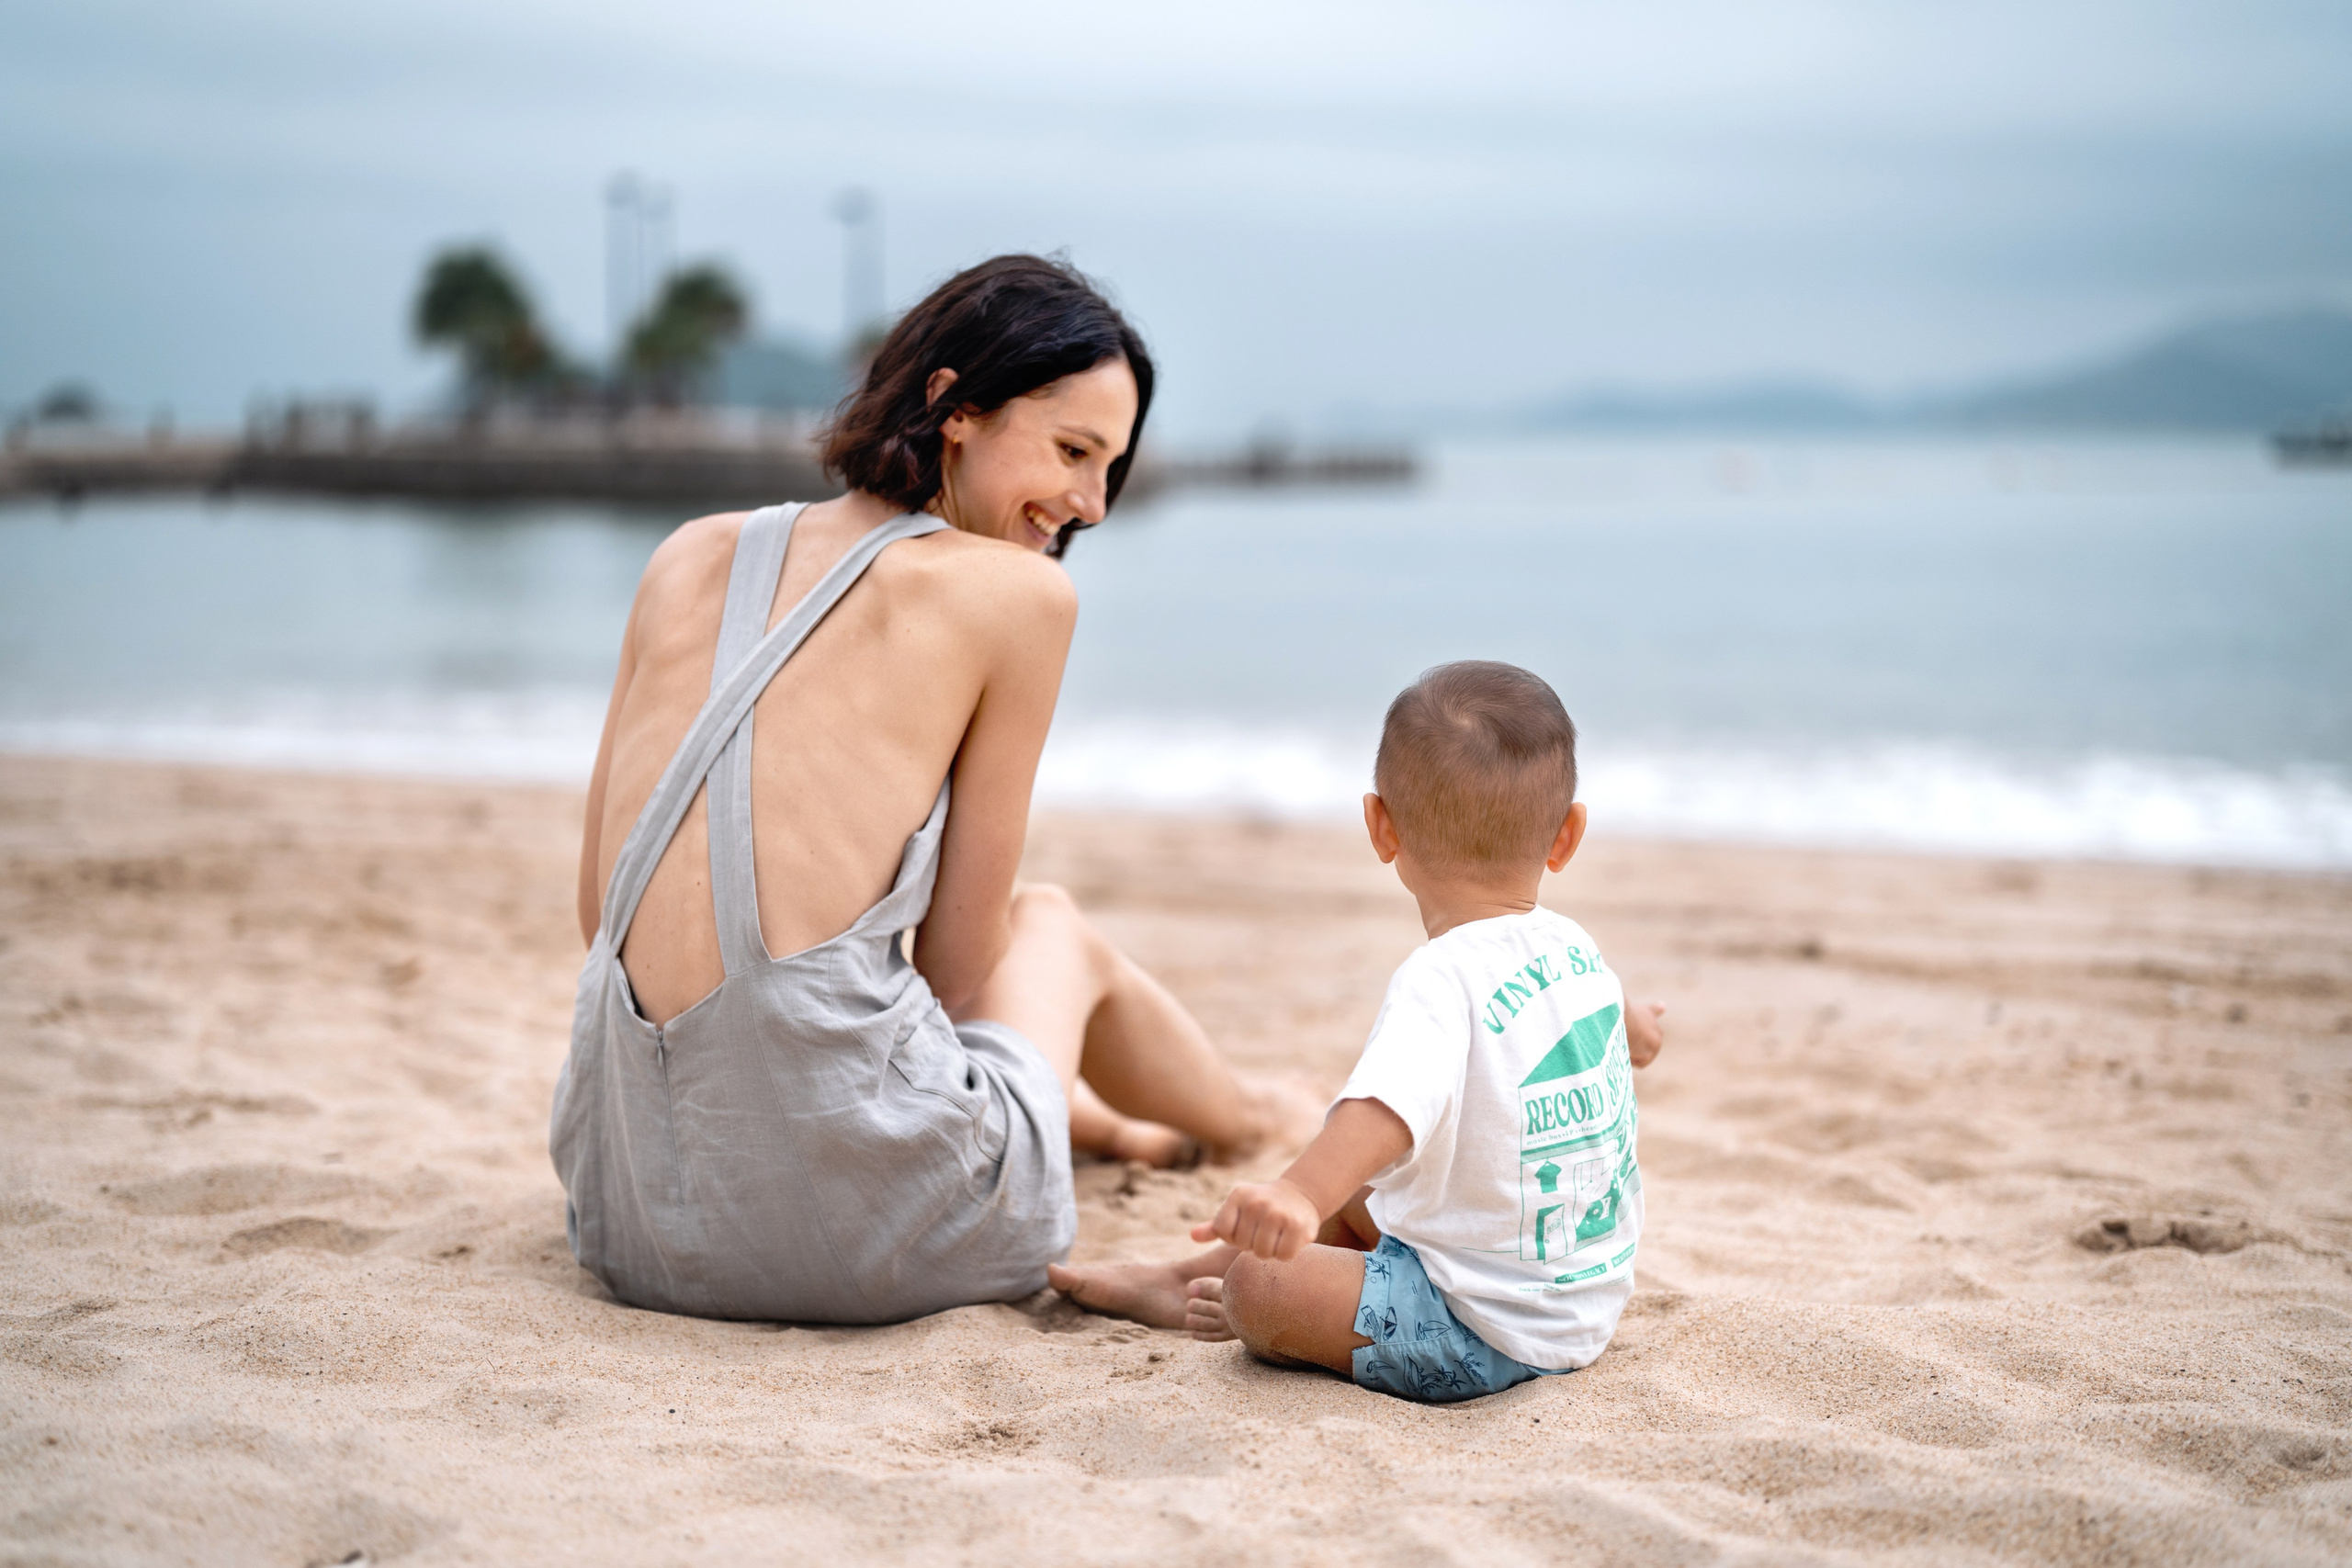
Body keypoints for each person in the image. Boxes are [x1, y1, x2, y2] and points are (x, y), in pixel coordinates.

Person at [551, 254, 1301, 1325]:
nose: (1090, 503)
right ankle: (1247, 1114)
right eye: (1073, 452)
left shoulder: (686, 555)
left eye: (1111, 467)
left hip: (632, 1220)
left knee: (887, 1009)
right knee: (1051, 928)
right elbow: (957, 969)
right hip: (867, 1244)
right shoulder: (1017, 596)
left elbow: (598, 918)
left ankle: (1102, 1119)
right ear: (954, 407)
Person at [1050, 661, 1666, 1403]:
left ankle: (1221, 1284)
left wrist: (1298, 1194)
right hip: (1581, 1302)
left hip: (1483, 1330)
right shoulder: (1575, 944)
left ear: (1380, 826)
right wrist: (1639, 1031)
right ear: (1567, 836)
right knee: (1368, 1183)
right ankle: (1188, 1276)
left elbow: (1386, 1109)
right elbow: (1617, 1014)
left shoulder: (1438, 980)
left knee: (1263, 1283)